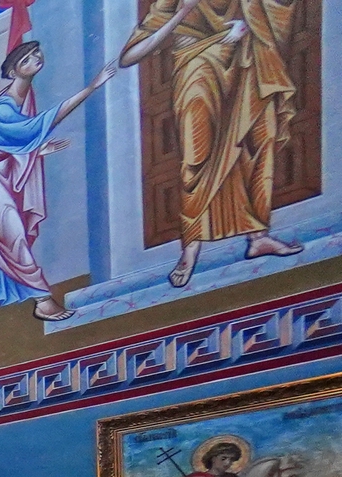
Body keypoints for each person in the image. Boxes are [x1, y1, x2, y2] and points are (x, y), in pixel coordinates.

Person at [119, 0, 302, 290]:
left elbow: (276, 10)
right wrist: (180, 14)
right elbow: (129, 56)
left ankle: (258, 236)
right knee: (196, 157)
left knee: (257, 143)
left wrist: (249, 24)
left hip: (246, 59)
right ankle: (190, 248)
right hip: (197, 69)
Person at [0, 42, 115, 326]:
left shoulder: (17, 99)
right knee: (13, 237)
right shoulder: (4, 108)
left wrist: (35, 151)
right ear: (14, 70)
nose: (35, 59)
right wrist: (91, 88)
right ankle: (42, 300)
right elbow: (36, 126)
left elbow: (1, 145)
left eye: (36, 54)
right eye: (26, 58)